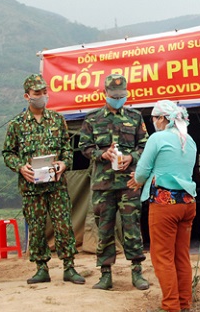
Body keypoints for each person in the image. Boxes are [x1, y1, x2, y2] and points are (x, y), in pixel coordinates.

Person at [2, 74, 85, 285]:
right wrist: (21, 167)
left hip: (56, 185)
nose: (42, 96)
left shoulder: (57, 120)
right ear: (27, 96)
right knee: (37, 227)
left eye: (44, 92)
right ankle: (41, 268)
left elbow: (67, 149)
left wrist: (64, 163)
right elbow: (8, 153)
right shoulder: (17, 124)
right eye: (37, 93)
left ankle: (69, 267)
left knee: (64, 225)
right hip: (31, 187)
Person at [78, 74, 149, 291]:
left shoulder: (136, 117)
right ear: (105, 94)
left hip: (129, 183)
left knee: (132, 227)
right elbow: (84, 147)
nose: (118, 98)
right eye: (114, 95)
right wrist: (101, 154)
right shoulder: (92, 119)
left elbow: (144, 145)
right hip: (103, 185)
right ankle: (105, 274)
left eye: (121, 95)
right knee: (105, 228)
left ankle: (137, 272)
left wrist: (132, 158)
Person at [128, 100, 197, 312]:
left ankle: (170, 306)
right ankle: (184, 303)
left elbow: (142, 170)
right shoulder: (190, 140)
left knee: (163, 257)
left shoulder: (158, 138)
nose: (153, 122)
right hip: (187, 203)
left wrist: (138, 180)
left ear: (163, 119)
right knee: (181, 256)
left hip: (164, 204)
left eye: (154, 118)